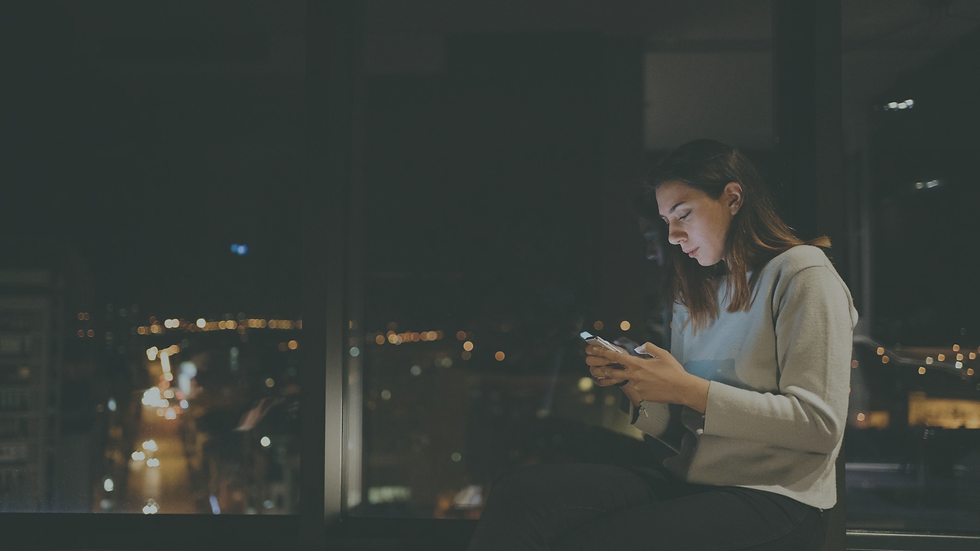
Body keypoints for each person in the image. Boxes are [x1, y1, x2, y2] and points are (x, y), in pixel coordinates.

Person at [466, 139, 858, 550]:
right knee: (521, 493)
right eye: (666, 219)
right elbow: (692, 430)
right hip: (694, 479)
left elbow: (820, 426)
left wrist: (687, 389)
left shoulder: (803, 276)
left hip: (777, 498)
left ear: (733, 198)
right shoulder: (695, 293)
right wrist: (639, 388)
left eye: (683, 214)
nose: (672, 235)